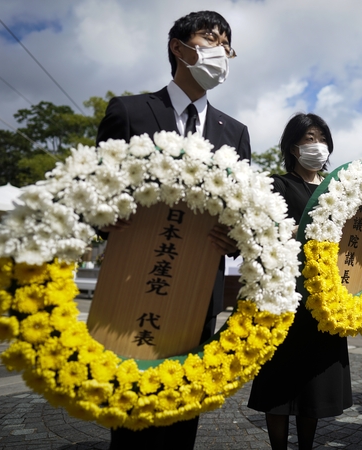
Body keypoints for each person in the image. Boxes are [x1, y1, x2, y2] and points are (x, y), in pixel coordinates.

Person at [96, 10, 250, 449]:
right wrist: (109, 217)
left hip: (198, 285)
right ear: (178, 46)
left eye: (226, 43)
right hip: (131, 277)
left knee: (183, 390)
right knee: (129, 393)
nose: (219, 48)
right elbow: (94, 189)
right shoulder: (129, 111)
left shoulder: (235, 133)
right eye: (210, 37)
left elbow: (245, 212)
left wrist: (235, 235)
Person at [247, 113, 351, 450]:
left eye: (321, 136)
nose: (317, 144)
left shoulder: (338, 190)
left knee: (314, 382)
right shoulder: (277, 184)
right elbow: (262, 230)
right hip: (286, 294)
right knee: (280, 377)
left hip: (325, 295)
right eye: (309, 137)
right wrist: (297, 229)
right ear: (293, 146)